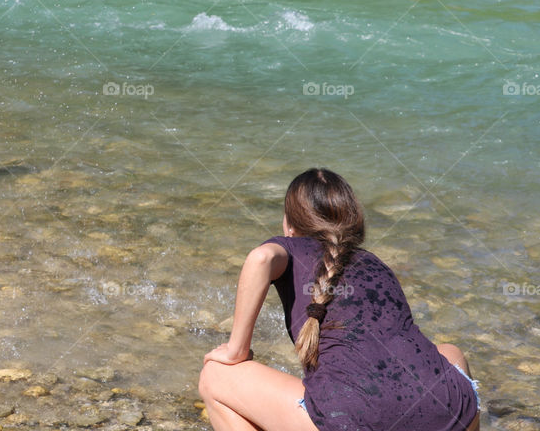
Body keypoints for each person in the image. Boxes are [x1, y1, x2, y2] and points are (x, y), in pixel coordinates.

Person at [198, 168, 481, 431]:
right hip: (455, 410)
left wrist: (237, 350)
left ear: (289, 226)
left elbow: (261, 258)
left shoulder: (290, 246)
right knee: (450, 352)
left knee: (214, 377)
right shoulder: (376, 263)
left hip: (356, 420)